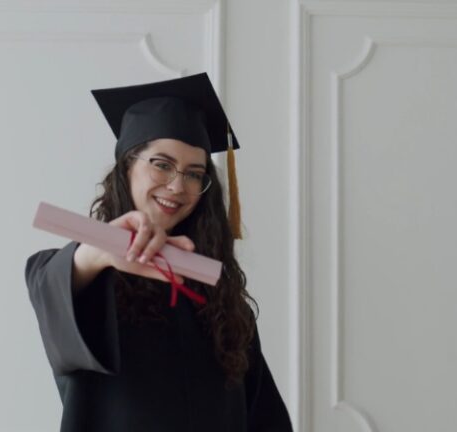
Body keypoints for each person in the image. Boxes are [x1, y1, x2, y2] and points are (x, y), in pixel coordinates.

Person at [24, 73, 293, 431]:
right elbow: (49, 281)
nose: (178, 185)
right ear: (127, 167)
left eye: (195, 173)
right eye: (162, 164)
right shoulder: (88, 280)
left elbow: (262, 416)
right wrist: (101, 253)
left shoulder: (222, 299)